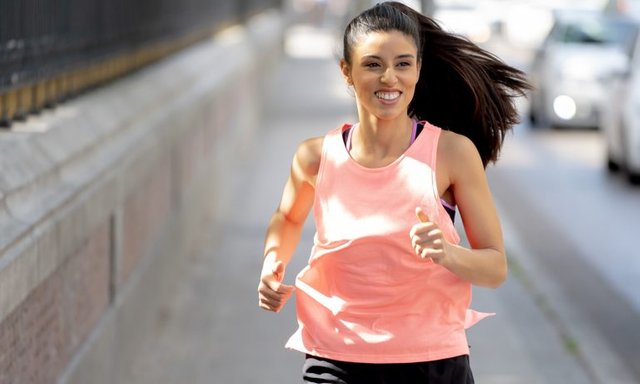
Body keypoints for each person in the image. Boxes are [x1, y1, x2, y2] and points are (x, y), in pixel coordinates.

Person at [257, 2, 531, 383]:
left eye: (403, 64)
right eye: (373, 64)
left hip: (432, 363)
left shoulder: (451, 153)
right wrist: (273, 260)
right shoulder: (315, 157)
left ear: (419, 69)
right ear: (346, 72)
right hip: (335, 359)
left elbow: (495, 267)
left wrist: (447, 253)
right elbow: (287, 218)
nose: (390, 78)